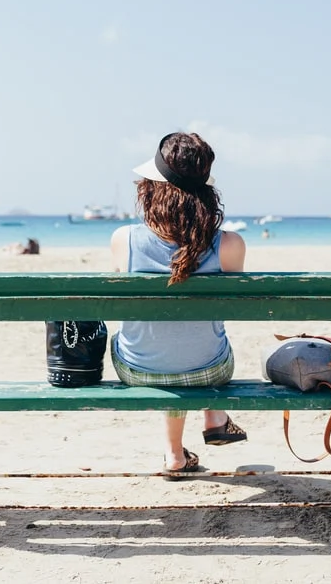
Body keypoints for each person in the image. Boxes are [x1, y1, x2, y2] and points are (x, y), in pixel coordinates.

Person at [110, 132, 248, 478]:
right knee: (201, 346)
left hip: (137, 370)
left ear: (150, 188)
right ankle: (214, 416)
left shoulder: (124, 240)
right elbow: (230, 308)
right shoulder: (230, 245)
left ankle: (175, 453)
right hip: (210, 369)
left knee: (160, 344)